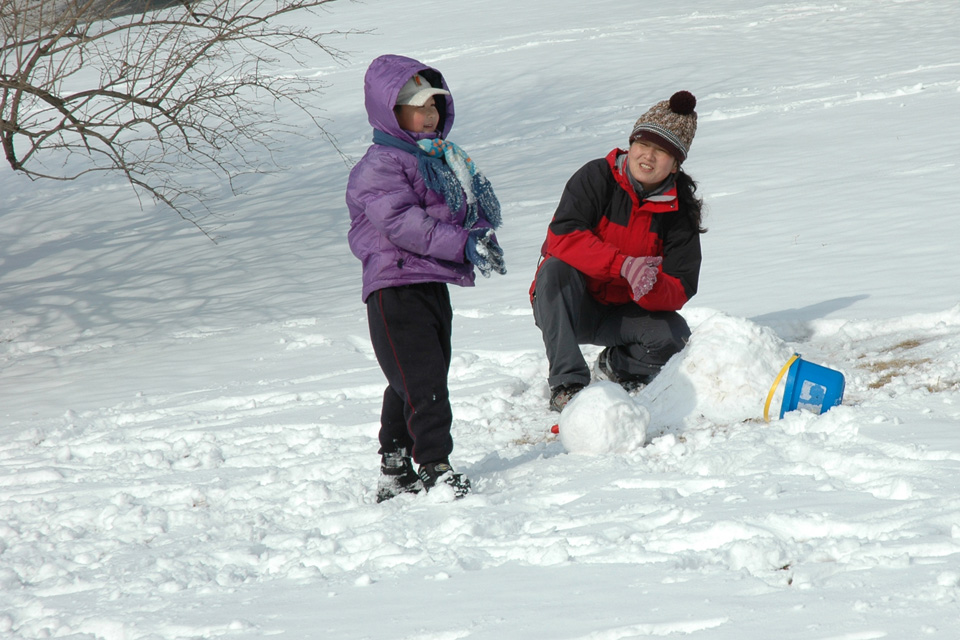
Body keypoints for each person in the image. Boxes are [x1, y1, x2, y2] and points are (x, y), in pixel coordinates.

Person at [346, 54, 506, 502]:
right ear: (391, 112)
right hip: (395, 287)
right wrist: (460, 244)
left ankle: (395, 466)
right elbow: (402, 223)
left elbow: (450, 212)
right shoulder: (380, 165)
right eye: (419, 105)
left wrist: (477, 236)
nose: (430, 113)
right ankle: (435, 466)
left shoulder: (436, 160)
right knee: (424, 381)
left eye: (435, 104)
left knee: (415, 376)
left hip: (428, 280)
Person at [530, 91, 706, 412]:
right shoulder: (597, 177)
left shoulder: (680, 210)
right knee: (555, 269)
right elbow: (562, 238)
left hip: (622, 314)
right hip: (569, 306)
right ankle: (568, 384)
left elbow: (681, 285)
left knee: (675, 338)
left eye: (661, 151)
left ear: (676, 164)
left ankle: (616, 365)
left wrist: (651, 285)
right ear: (631, 144)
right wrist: (624, 266)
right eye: (643, 145)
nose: (648, 157)